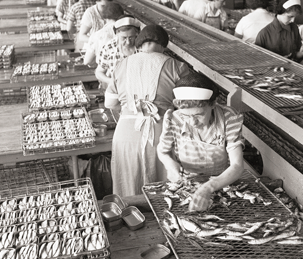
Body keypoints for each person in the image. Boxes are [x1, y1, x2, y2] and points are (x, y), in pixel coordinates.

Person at [105, 24, 191, 197]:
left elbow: (110, 103)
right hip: (161, 134)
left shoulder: (121, 65)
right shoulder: (177, 67)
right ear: (164, 45)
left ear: (139, 43)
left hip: (126, 134)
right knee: (164, 192)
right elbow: (188, 107)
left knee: (128, 187)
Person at [157, 71, 245, 212]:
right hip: (186, 186)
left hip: (222, 184)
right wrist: (170, 164)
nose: (193, 122)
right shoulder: (173, 120)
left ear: (213, 104)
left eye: (199, 114)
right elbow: (162, 151)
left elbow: (237, 165)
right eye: (186, 115)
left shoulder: (228, 118)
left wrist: (208, 187)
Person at [94, 16, 141, 90]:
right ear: (116, 34)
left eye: (131, 37)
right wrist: (111, 82)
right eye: (124, 38)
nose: (128, 42)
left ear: (137, 34)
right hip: (117, 91)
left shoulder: (143, 47)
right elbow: (99, 72)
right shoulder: (109, 48)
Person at [82, 1, 125, 68]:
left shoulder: (97, 35)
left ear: (104, 17)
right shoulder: (128, 31)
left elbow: (87, 61)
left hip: (105, 73)